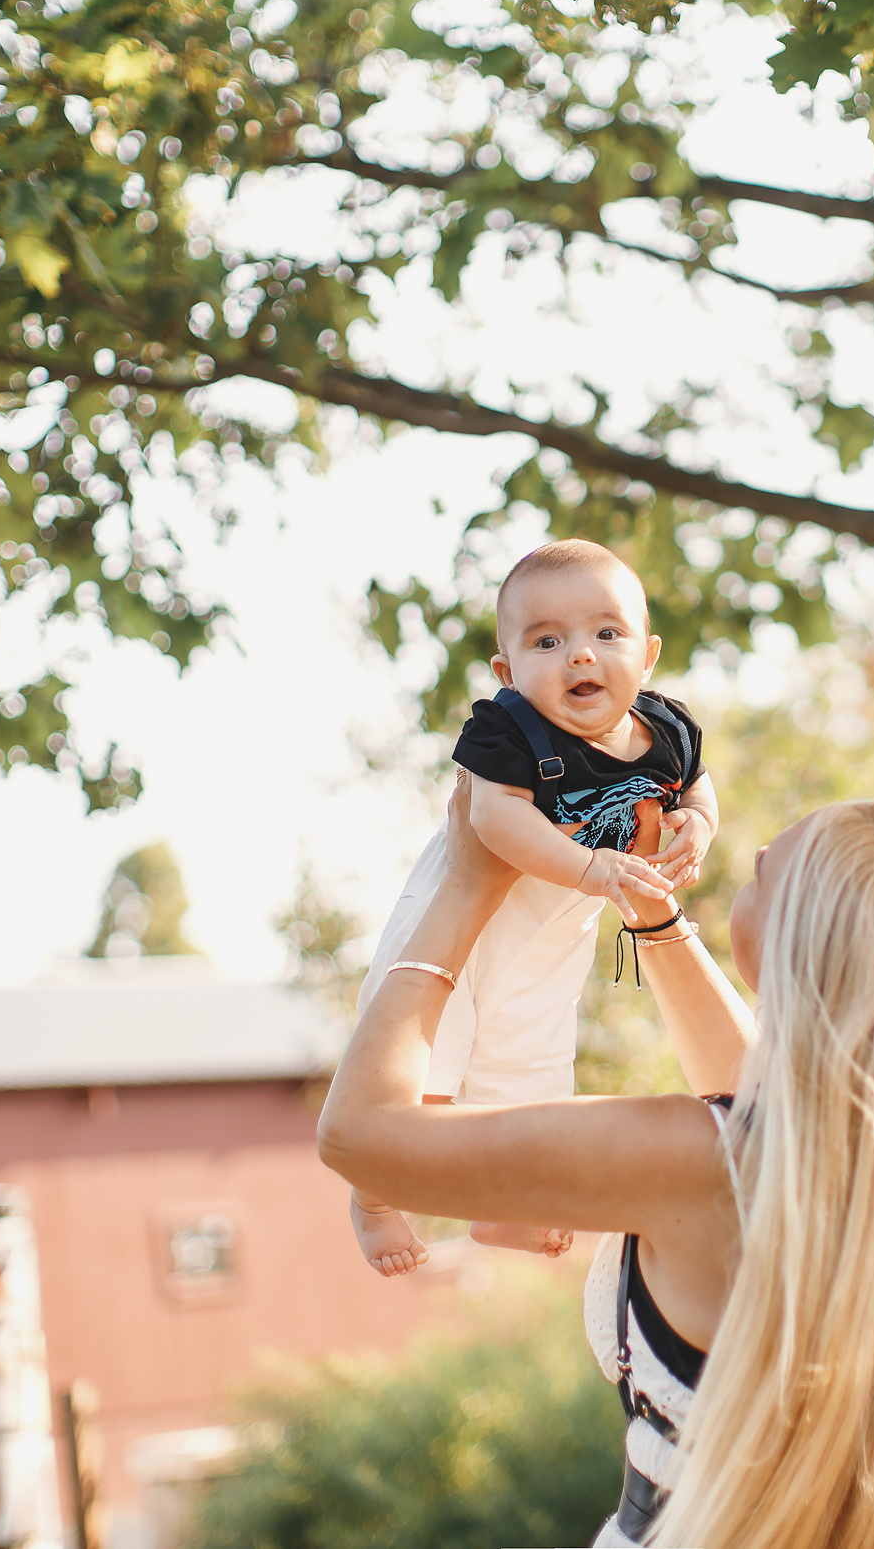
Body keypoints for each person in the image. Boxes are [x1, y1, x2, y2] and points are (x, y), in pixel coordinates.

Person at [318, 778, 874, 1549]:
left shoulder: (696, 1163)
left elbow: (361, 1136)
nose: (753, 848)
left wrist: (465, 885)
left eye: (769, 866)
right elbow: (751, 1087)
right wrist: (650, 911)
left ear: (802, 944)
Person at [346, 540, 721, 1276]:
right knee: (426, 1064)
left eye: (605, 634)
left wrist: (697, 827)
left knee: (532, 1062)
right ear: (507, 670)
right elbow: (496, 820)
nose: (580, 655)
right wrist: (588, 866)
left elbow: (699, 791)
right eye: (547, 641)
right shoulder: (510, 728)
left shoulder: (668, 731)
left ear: (646, 655)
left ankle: (506, 1205)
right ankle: (376, 1194)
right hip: (465, 922)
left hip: (556, 932)